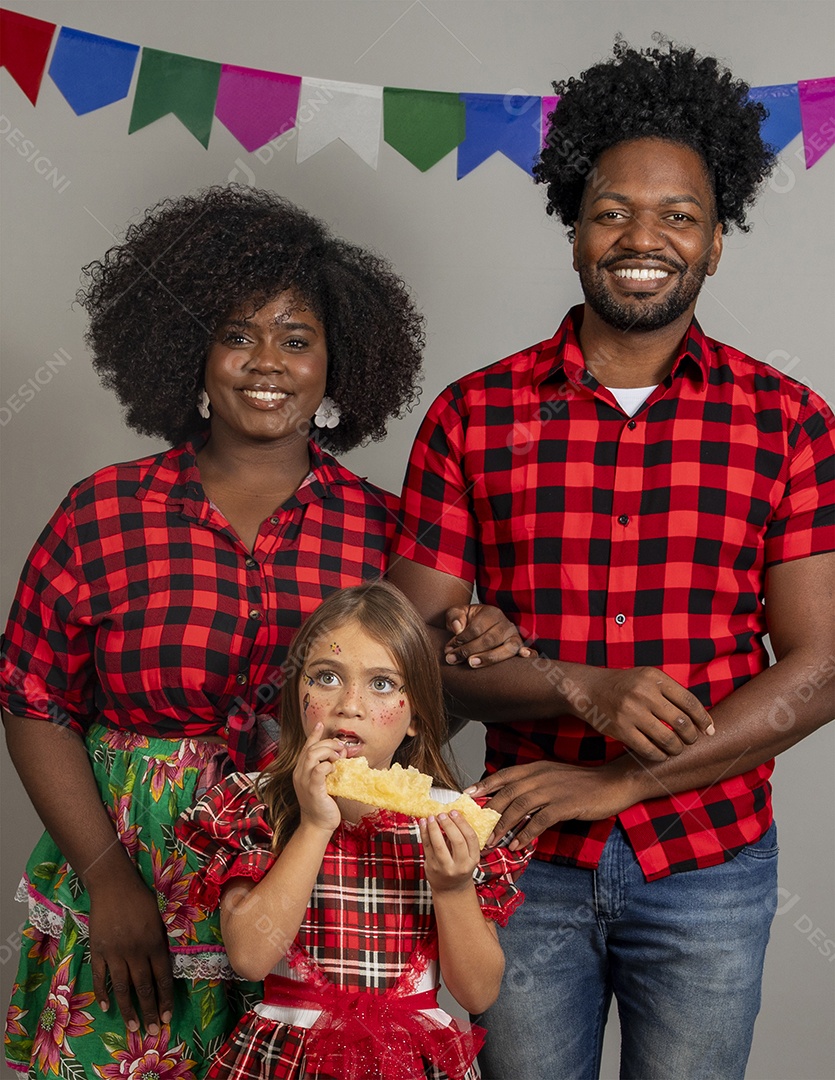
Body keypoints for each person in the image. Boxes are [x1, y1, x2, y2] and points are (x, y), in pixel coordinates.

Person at [388, 37, 835, 1080]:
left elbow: (820, 669)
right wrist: (575, 683)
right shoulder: (471, 413)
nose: (643, 237)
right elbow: (406, 662)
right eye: (611, 212)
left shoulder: (789, 421)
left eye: (678, 215)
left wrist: (622, 782)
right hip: (520, 857)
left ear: (715, 244)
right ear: (574, 232)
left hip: (710, 859)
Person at [0, 187, 513, 1079]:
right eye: (237, 335)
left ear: (337, 365)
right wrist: (108, 877)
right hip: (134, 865)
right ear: (188, 354)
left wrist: (482, 633)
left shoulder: (387, 532)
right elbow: (31, 699)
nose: (266, 362)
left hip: (320, 890)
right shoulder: (103, 511)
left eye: (296, 339)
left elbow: (419, 698)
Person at [176, 580, 533, 1080]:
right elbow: (250, 958)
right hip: (290, 1056)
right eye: (326, 677)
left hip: (410, 1059)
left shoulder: (451, 819)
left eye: (382, 684)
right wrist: (314, 824)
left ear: (415, 714)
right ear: (297, 696)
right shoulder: (259, 804)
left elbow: (478, 993)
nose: (350, 703)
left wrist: (453, 888)